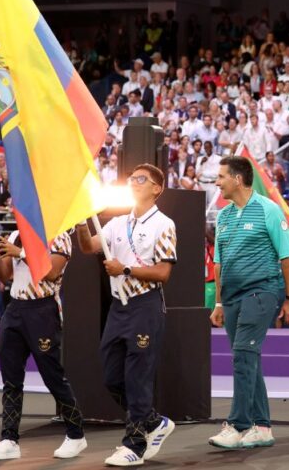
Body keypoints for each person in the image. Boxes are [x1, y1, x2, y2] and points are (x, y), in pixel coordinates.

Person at [74, 164, 176, 466]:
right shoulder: (117, 223)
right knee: (110, 376)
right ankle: (154, 422)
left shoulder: (164, 224)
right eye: (131, 178)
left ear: (157, 188)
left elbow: (163, 272)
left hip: (145, 304)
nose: (133, 182)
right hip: (119, 307)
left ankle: (133, 445)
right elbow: (88, 246)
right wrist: (81, 223)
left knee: (137, 378)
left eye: (140, 179)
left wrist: (126, 269)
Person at [208, 157, 289, 448]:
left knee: (242, 356)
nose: (217, 182)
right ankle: (262, 427)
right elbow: (219, 265)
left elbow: (287, 258)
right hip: (232, 297)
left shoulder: (269, 210)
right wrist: (220, 304)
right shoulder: (222, 216)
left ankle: (238, 424)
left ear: (237, 179)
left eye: (221, 176)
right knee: (249, 358)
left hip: (262, 291)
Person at [0, 230, 87, 460]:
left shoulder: (59, 236)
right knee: (10, 379)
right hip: (15, 308)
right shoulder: (14, 235)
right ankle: (9, 439)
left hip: (43, 309)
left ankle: (76, 434)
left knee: (52, 376)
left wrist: (19, 252)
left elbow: (53, 272)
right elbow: (5, 276)